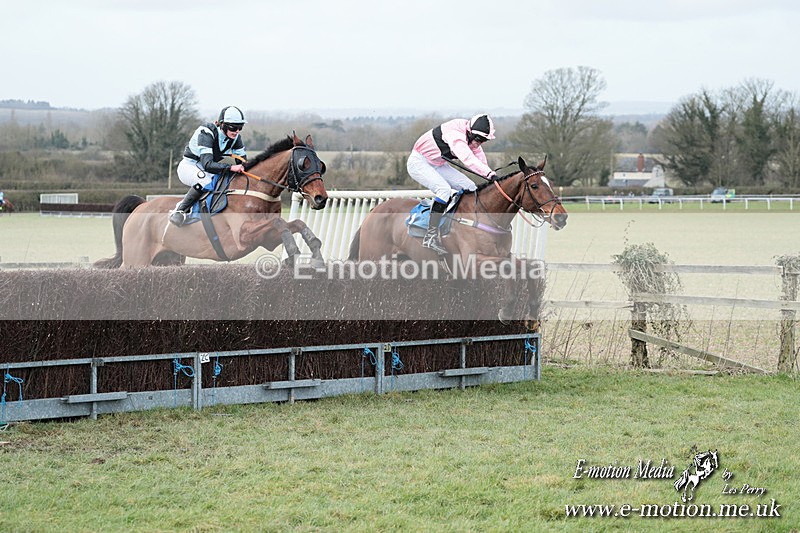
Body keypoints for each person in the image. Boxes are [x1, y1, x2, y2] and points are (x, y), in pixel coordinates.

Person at [407, 114, 498, 254]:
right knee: (444, 190)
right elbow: (467, 159)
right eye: (478, 139)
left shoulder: (472, 136)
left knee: (471, 188)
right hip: (419, 162)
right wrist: (488, 174)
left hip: (438, 164)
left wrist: (491, 175)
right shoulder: (456, 135)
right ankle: (430, 236)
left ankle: (460, 226)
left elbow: (480, 159)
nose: (478, 144)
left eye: (484, 141)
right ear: (469, 132)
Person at [169, 106, 249, 226]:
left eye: (240, 127)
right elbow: (207, 164)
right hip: (189, 166)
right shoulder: (207, 132)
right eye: (234, 127)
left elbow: (244, 162)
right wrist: (231, 167)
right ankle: (180, 211)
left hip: (208, 168)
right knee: (206, 181)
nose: (237, 131)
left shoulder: (236, 138)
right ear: (223, 124)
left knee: (226, 181)